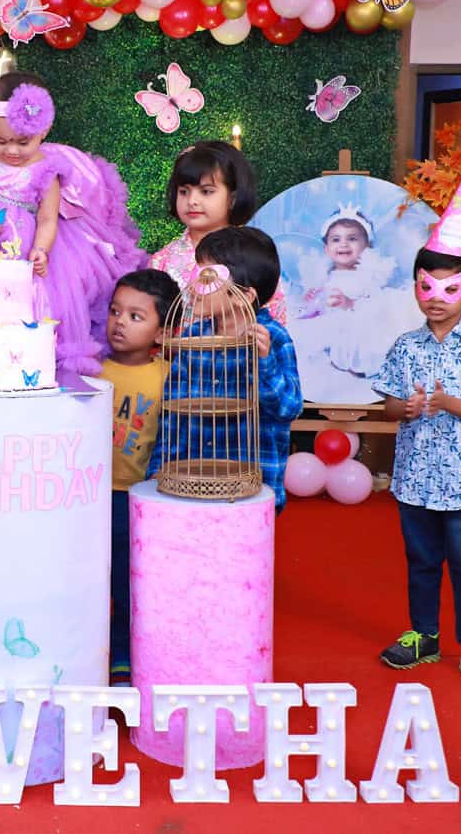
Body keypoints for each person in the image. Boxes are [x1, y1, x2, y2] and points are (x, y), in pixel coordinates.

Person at [371, 168, 461, 692]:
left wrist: (450, 401)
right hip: (413, 479)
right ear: (416, 287)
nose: (436, 296)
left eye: (450, 287)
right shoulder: (405, 346)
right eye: (427, 285)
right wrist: (404, 409)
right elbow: (386, 406)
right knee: (420, 560)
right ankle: (422, 634)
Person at [0, 71, 148, 375]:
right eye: (1, 140)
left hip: (26, 244)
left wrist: (42, 251)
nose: (11, 151)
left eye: (23, 142)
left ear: (43, 130)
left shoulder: (47, 169)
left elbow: (47, 218)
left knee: (31, 302)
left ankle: (29, 361)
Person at [148, 227, 302, 512]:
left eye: (207, 278)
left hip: (252, 491)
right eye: (197, 275)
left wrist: (264, 362)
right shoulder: (192, 340)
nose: (193, 286)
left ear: (242, 295)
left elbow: (288, 408)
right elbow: (172, 414)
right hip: (191, 482)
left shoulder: (275, 339)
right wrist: (160, 469)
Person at [98, 269, 180, 683]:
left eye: (135, 316)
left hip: (135, 498)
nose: (118, 322)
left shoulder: (168, 376)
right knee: (92, 577)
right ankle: (90, 647)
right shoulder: (89, 369)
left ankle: (126, 651)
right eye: (115, 311)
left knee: (128, 581)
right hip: (90, 495)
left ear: (162, 332)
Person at [150, 142, 287, 325]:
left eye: (206, 191)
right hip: (177, 353)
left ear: (233, 198)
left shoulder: (253, 253)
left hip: (246, 352)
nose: (192, 201)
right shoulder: (162, 260)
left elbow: (275, 314)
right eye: (184, 192)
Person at [293, 204, 419, 378]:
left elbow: (376, 304)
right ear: (326, 249)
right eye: (336, 240)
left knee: (356, 333)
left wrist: (351, 303)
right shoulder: (324, 276)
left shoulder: (367, 275)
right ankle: (329, 360)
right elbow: (318, 302)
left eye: (352, 238)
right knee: (306, 330)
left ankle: (355, 363)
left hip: (355, 320)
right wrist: (311, 299)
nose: (343, 244)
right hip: (329, 320)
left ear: (366, 246)